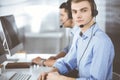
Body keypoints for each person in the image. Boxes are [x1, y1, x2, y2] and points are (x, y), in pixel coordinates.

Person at [38, 0, 115, 80]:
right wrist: (51, 73)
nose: (78, 16)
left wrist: (60, 78)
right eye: (74, 12)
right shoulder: (79, 35)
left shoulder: (101, 42)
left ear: (93, 12)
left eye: (83, 10)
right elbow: (67, 63)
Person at [32, 2, 75, 67]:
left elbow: (68, 62)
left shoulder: (79, 35)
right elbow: (68, 49)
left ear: (71, 16)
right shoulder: (73, 32)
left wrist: (43, 62)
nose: (60, 19)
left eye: (62, 15)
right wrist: (56, 57)